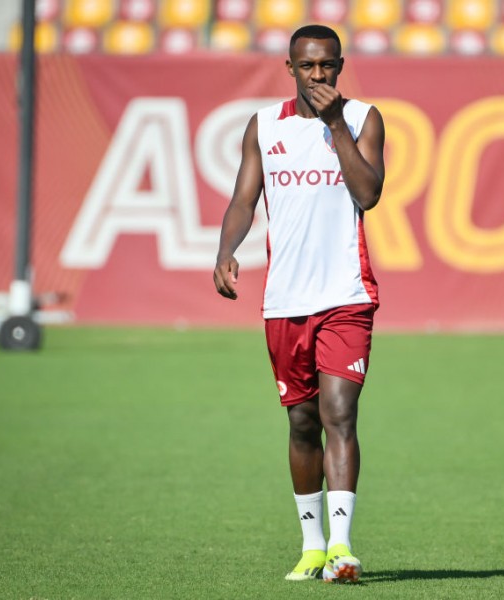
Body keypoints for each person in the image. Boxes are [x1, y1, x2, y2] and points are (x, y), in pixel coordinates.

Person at [213, 24, 385, 584]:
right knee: (302, 422)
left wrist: (335, 125)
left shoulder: (362, 119)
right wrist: (225, 251)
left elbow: (368, 193)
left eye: (328, 65)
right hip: (285, 299)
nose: (318, 75)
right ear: (290, 68)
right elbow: (244, 197)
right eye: (308, 66)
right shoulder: (264, 126)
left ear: (340, 65)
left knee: (340, 413)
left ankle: (341, 546)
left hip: (345, 296)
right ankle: (311, 547)